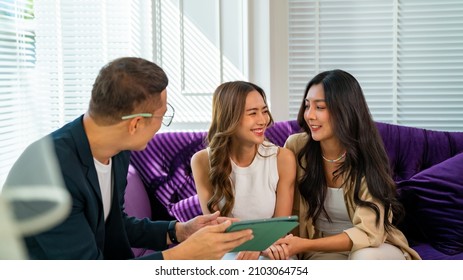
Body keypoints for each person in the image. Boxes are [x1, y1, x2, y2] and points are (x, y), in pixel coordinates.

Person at [3, 57, 253, 260]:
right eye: (161, 117)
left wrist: (180, 231)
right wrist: (184, 254)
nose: (161, 127)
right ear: (135, 124)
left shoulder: (117, 150)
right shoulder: (52, 174)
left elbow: (115, 223)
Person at [265, 69, 421, 260]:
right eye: (307, 106)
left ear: (344, 110)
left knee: (364, 259)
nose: (310, 115)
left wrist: (304, 244)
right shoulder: (296, 147)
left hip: (374, 246)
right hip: (319, 248)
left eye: (320, 107)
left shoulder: (366, 154)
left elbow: (369, 232)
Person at [191, 81, 296, 260]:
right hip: (226, 250)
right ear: (228, 117)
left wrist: (261, 246)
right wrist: (253, 245)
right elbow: (215, 228)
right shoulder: (202, 161)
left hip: (272, 249)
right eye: (252, 113)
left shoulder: (283, 158)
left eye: (264, 111)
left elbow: (280, 228)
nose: (263, 120)